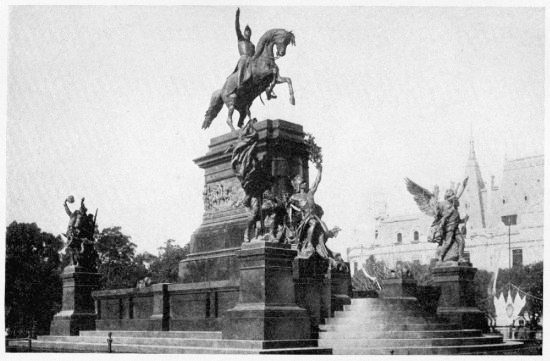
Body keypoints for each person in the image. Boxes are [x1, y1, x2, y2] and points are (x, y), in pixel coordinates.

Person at [234, 8, 276, 99]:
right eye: (247, 31)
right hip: (244, 58)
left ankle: (268, 90)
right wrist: (237, 16)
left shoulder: (252, 45)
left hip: (251, 60)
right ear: (244, 32)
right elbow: (237, 28)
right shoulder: (241, 39)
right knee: (242, 65)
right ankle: (239, 85)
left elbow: (255, 54)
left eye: (249, 32)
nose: (248, 33)